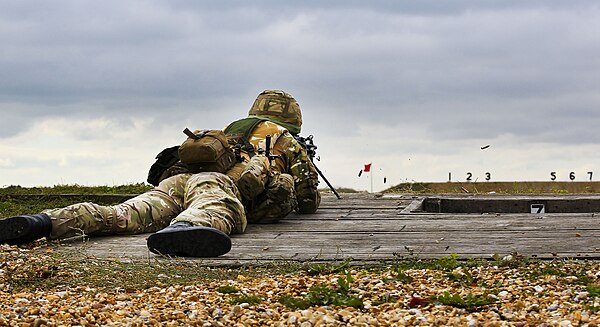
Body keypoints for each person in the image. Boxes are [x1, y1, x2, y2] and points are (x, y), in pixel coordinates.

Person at [0, 90, 321, 257]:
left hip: (177, 181)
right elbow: (307, 198)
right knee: (213, 208)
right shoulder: (283, 138)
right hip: (217, 184)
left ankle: (44, 221)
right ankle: (184, 229)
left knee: (122, 214)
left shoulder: (231, 130)